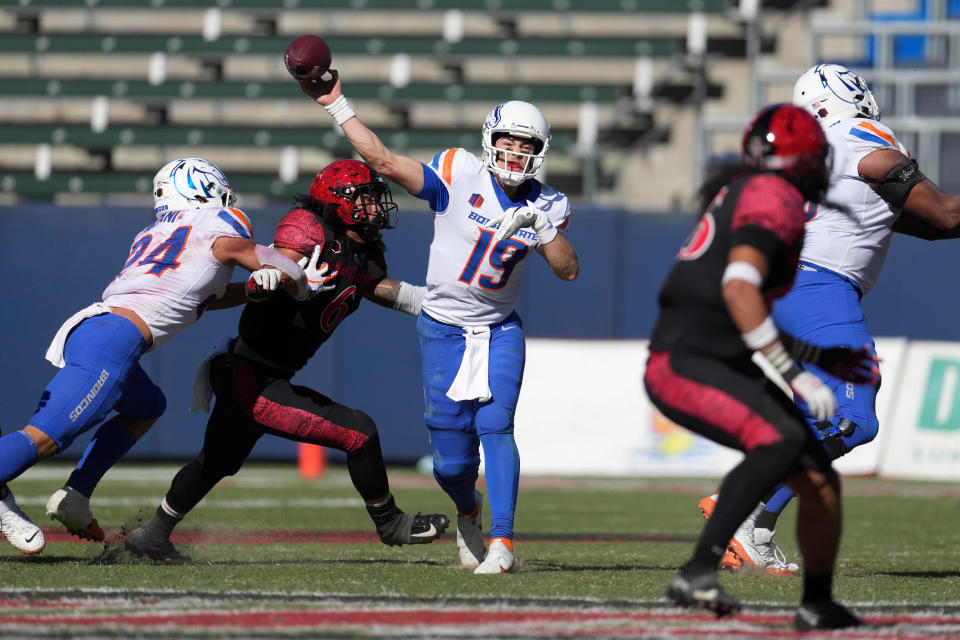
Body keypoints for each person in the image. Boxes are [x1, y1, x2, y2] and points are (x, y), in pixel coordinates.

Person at [297, 71, 579, 573]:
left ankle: (504, 542)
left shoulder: (549, 203)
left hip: (498, 329)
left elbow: (568, 269)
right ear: (489, 142)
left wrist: (542, 225)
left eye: (525, 145)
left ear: (541, 151)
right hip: (442, 328)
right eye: (507, 141)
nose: (514, 153)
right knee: (451, 464)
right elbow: (383, 161)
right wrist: (336, 102)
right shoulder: (459, 172)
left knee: (497, 425)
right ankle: (468, 508)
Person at [701, 63, 960, 576]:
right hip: (819, 285)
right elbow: (946, 214)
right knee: (852, 417)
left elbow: (927, 225)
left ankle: (754, 528)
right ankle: (743, 507)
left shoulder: (816, 152)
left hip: (787, 285)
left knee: (820, 418)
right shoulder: (862, 135)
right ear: (846, 95)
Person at [123, 159, 451, 561]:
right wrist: (284, 278)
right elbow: (275, 267)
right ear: (339, 200)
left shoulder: (363, 254)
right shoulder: (308, 226)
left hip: (258, 374)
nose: (374, 207)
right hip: (251, 377)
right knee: (359, 432)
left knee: (216, 463)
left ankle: (152, 535)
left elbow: (377, 287)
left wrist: (436, 304)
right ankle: (390, 522)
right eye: (365, 197)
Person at [644, 103, 879, 630]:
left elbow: (742, 307)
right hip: (686, 363)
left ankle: (816, 604)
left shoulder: (746, 190)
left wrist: (817, 358)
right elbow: (739, 288)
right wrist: (795, 375)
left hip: (712, 356)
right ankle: (700, 569)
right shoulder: (773, 199)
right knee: (778, 443)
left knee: (818, 478)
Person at [1, 157, 311, 553]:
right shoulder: (220, 223)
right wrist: (297, 279)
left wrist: (252, 289)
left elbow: (197, 297)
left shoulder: (157, 230)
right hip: (115, 341)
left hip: (98, 329)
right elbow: (274, 263)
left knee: (146, 406)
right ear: (203, 188)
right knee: (43, 439)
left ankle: (76, 494)